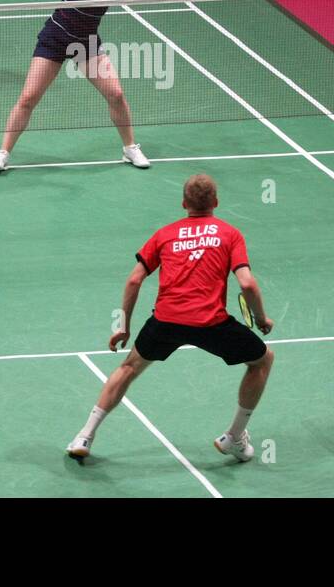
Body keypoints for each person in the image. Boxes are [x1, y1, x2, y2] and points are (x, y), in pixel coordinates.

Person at [67, 174, 275, 462]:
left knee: (128, 368)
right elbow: (247, 284)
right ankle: (234, 437)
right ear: (215, 202)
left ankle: (85, 436)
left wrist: (123, 326)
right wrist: (261, 318)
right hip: (211, 323)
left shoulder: (164, 234)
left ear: (183, 203)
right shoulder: (230, 233)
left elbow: (134, 280)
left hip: (166, 321)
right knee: (262, 361)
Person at [0, 0, 157, 173]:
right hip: (55, 39)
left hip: (86, 43)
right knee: (28, 98)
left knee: (116, 95)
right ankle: (2, 153)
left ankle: (130, 148)